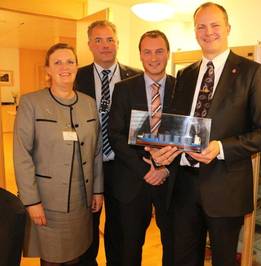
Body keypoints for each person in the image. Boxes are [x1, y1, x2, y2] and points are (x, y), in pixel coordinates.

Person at [148, 2, 261, 266]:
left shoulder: (251, 72)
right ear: (195, 32)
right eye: (201, 27)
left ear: (228, 28)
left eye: (215, 25)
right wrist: (160, 149)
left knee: (223, 260)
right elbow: (175, 128)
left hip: (225, 189)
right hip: (182, 186)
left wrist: (221, 148)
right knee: (182, 259)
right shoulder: (184, 75)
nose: (208, 32)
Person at [13, 43, 103, 266]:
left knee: (77, 256)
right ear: (48, 70)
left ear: (77, 66)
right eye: (58, 62)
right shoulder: (31, 103)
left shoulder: (89, 104)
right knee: (53, 259)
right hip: (47, 202)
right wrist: (31, 201)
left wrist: (98, 190)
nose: (65, 67)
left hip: (82, 201)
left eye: (70, 61)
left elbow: (96, 152)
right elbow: (22, 155)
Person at [75, 20, 141, 266]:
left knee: (120, 229)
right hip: (87, 167)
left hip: (123, 166)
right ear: (90, 45)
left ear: (118, 43)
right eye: (99, 40)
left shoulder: (136, 76)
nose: (105, 45)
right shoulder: (76, 76)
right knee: (86, 230)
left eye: (110, 39)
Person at [108, 30, 174, 266]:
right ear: (140, 55)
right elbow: (115, 134)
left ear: (167, 53)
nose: (153, 57)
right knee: (130, 247)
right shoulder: (123, 89)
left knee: (173, 244)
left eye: (159, 51)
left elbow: (188, 136)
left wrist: (165, 169)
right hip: (132, 180)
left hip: (171, 183)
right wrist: (145, 170)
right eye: (147, 52)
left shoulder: (182, 88)